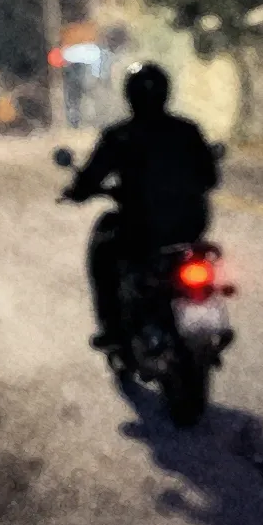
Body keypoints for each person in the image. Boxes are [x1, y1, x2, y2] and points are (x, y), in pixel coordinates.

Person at [64, 62, 220, 350]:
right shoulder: (187, 130)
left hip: (140, 227)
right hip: (190, 224)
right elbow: (211, 178)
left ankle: (112, 329)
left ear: (130, 95)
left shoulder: (120, 135)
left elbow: (90, 178)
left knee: (103, 255)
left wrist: (77, 192)